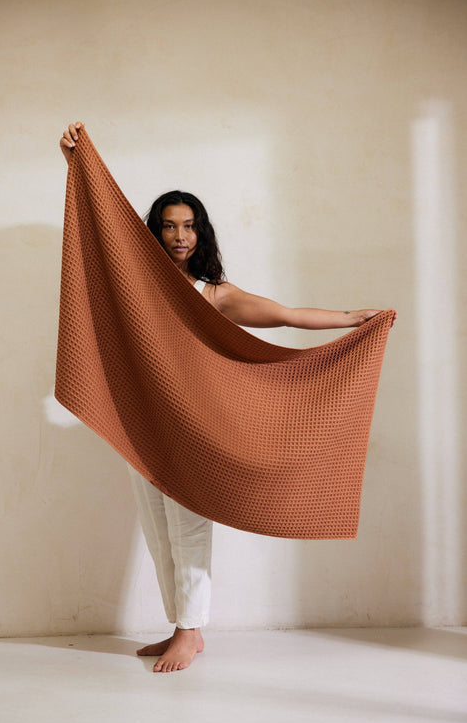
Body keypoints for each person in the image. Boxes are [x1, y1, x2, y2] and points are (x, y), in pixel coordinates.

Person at [59, 122, 396, 673]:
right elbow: (101, 240)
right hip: (144, 422)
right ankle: (181, 625)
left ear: (202, 233)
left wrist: (351, 319)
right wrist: (77, 164)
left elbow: (286, 315)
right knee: (157, 530)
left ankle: (191, 630)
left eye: (190, 226)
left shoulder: (213, 295)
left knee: (188, 527)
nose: (180, 236)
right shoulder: (135, 287)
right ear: (154, 232)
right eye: (169, 226)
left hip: (194, 424)